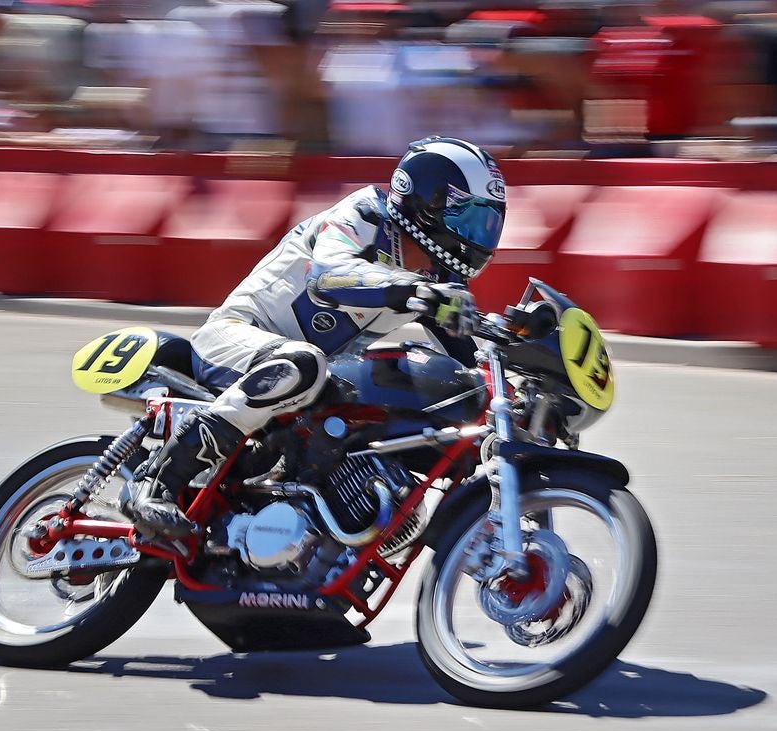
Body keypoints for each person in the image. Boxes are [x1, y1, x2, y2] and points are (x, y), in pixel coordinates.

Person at [121, 136, 508, 540]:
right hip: (235, 339)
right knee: (304, 365)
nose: (479, 234)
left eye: (488, 221)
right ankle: (157, 480)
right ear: (426, 200)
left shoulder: (440, 277)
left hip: (308, 383)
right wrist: (412, 290)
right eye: (469, 217)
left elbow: (471, 358)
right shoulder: (364, 215)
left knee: (407, 402)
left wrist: (514, 378)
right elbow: (327, 276)